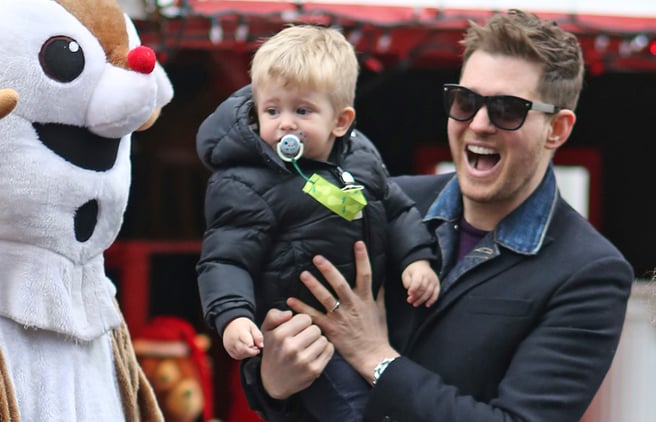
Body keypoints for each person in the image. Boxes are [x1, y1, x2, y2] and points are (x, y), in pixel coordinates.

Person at [247, 9, 635, 421]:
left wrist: (376, 358)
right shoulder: (387, 200)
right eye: (466, 102)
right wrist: (270, 380)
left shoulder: (590, 272)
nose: (479, 124)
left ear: (557, 129)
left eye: (506, 109)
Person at [195, 25, 440, 421]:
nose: (286, 123)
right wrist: (233, 316)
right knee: (355, 411)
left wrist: (417, 260)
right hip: (307, 335)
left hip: (370, 328)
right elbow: (225, 259)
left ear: (340, 121)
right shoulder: (244, 181)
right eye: (272, 110)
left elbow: (396, 209)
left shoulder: (359, 158)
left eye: (302, 110)